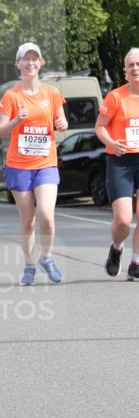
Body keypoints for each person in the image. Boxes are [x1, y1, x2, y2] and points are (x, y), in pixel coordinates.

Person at [0, 43, 68, 285]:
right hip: (19, 165)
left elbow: (62, 123)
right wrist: (16, 119)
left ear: (41, 63)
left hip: (46, 163)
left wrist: (62, 124)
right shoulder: (12, 96)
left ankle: (46, 257)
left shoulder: (52, 93)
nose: (30, 63)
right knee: (28, 220)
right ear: (18, 63)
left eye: (34, 58)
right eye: (25, 59)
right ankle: (28, 265)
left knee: (47, 214)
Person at [95, 47, 139, 280]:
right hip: (121, 161)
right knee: (123, 219)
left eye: (138, 64)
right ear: (125, 70)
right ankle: (116, 248)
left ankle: (136, 262)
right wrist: (113, 142)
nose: (135, 68)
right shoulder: (115, 96)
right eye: (131, 65)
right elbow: (99, 127)